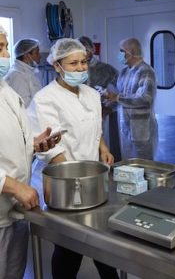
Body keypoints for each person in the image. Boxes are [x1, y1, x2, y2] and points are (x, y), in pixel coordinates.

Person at [27, 38, 118, 279]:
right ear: (57, 65)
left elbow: (95, 127)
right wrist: (77, 180)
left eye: (84, 63)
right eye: (73, 63)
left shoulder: (90, 94)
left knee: (102, 242)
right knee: (69, 248)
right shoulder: (45, 99)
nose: (80, 68)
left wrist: (104, 149)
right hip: (62, 185)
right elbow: (50, 149)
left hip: (91, 179)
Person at [0, 25, 60, 279]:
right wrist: (13, 186)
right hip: (9, 199)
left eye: (4, 47)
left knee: (13, 273)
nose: (5, 55)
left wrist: (34, 144)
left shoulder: (5, 90)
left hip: (15, 208)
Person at [106, 37, 158, 160]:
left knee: (144, 166)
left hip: (141, 130)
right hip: (126, 128)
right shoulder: (124, 72)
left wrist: (117, 97)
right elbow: (120, 97)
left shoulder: (146, 71)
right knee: (129, 165)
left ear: (132, 52)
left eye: (121, 51)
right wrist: (108, 104)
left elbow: (145, 99)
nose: (119, 54)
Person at [78, 36, 121, 161]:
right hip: (79, 116)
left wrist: (109, 108)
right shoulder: (74, 71)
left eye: (86, 51)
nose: (84, 55)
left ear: (92, 50)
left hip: (103, 116)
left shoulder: (106, 69)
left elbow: (122, 92)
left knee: (104, 147)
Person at [5, 38, 42, 107]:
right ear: (26, 55)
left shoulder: (27, 72)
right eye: (36, 53)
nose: (40, 56)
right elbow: (24, 107)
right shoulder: (18, 76)